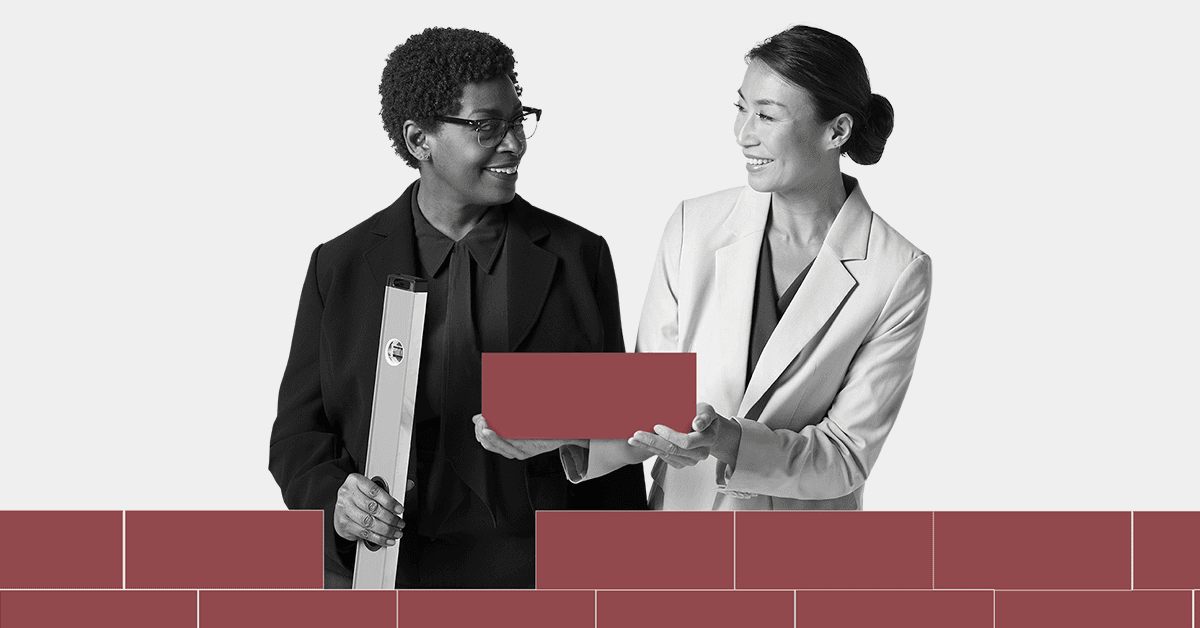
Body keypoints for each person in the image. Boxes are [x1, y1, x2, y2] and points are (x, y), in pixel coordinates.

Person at [479, 25, 930, 510]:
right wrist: (561, 428)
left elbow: (844, 457)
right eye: (741, 108)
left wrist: (729, 441)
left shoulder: (897, 271)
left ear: (836, 131)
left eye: (766, 115)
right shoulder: (693, 226)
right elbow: (649, 398)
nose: (743, 134)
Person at [268, 27, 646, 589]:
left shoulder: (578, 257)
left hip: (544, 578)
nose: (515, 143)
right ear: (419, 139)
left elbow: (619, 429)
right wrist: (336, 504)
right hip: (391, 575)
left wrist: (626, 581)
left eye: (519, 120)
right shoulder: (339, 265)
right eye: (487, 126)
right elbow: (299, 435)